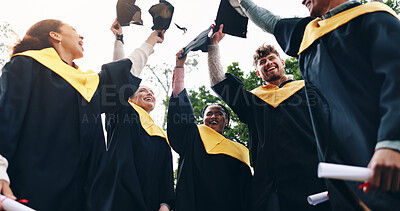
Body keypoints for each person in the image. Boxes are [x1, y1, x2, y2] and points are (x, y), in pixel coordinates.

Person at [235, 0, 400, 210]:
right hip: (345, 173)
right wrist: (242, 3)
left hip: (384, 154)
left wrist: (392, 141)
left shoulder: (373, 18)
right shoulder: (310, 34)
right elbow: (272, 23)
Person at [0, 19, 138, 210]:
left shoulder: (85, 84)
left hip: (82, 200)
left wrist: (148, 40)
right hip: (31, 194)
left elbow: (122, 75)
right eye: (74, 30)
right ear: (55, 36)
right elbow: (6, 119)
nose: (81, 36)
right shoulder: (25, 65)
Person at [208, 24, 330, 211]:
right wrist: (213, 46)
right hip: (272, 187)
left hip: (315, 176)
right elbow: (219, 81)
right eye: (262, 62)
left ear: (282, 62)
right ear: (258, 73)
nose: (268, 63)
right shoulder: (253, 100)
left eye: (272, 58)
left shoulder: (308, 89)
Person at [85, 20, 174, 211]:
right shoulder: (122, 112)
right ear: (130, 98)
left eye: (151, 91)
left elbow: (165, 173)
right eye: (142, 90)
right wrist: (119, 40)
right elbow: (119, 77)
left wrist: (165, 203)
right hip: (118, 197)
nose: (149, 93)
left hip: (149, 203)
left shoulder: (160, 134)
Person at [166, 48, 252, 211]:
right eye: (209, 114)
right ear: (203, 119)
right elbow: (180, 102)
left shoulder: (240, 151)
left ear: (226, 121)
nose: (213, 117)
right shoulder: (192, 135)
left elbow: (246, 194)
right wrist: (179, 67)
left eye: (219, 114)